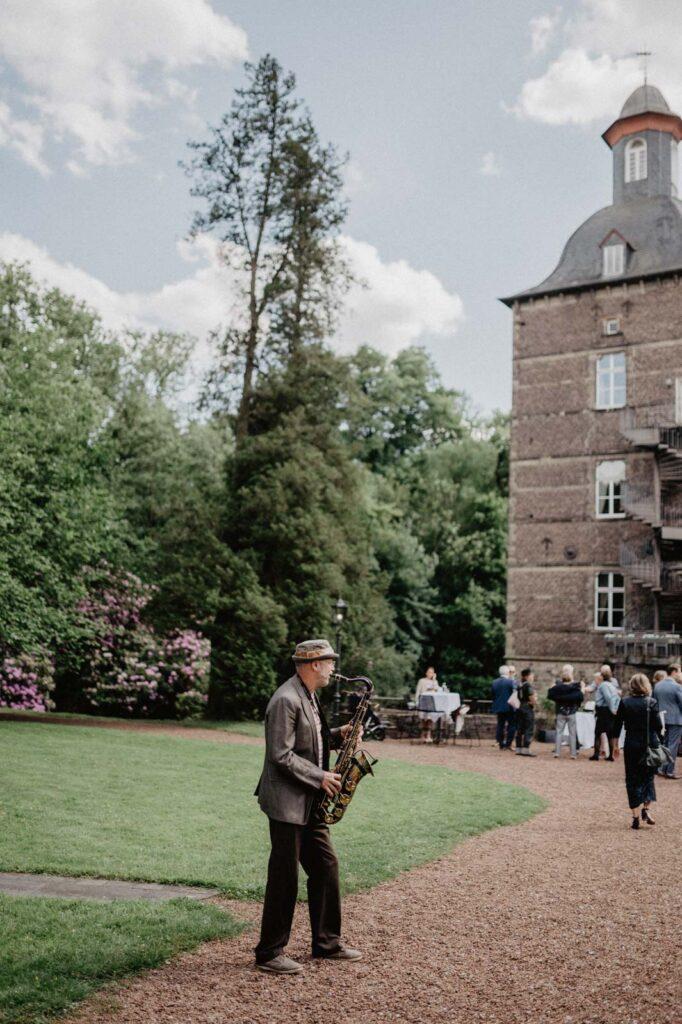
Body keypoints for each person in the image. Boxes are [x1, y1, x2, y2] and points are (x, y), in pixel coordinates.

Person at [254, 638, 362, 974]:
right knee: (284, 877)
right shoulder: (286, 699)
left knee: (325, 866)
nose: (333, 668)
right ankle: (270, 953)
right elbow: (281, 754)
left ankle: (326, 943)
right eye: (329, 661)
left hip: (308, 803)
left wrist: (338, 735)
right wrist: (320, 777)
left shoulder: (308, 696)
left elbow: (309, 739)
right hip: (288, 803)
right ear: (314, 663)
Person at [612, 673, 663, 829]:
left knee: (632, 779)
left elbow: (617, 726)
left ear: (631, 686)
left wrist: (615, 746)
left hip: (632, 744)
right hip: (649, 744)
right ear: (646, 685)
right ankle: (646, 809)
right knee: (648, 777)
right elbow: (658, 727)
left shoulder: (625, 702)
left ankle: (635, 817)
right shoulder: (652, 703)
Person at [652, 662, 682, 780]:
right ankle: (669, 771)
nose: (680, 674)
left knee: (664, 743)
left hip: (661, 718)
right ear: (674, 672)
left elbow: (654, 702)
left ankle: (661, 768)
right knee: (673, 745)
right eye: (679, 671)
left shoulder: (658, 685)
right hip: (675, 719)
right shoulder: (677, 687)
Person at [547, 665, 584, 759]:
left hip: (560, 711)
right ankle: (573, 754)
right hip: (571, 712)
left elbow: (550, 695)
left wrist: (553, 691)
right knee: (572, 733)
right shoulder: (575, 687)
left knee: (559, 732)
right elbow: (580, 697)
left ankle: (557, 752)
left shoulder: (558, 687)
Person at [589, 667, 620, 762]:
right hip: (609, 711)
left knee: (598, 733)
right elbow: (616, 698)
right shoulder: (612, 685)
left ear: (602, 676)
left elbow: (608, 698)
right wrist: (615, 708)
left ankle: (596, 754)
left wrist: (612, 709)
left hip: (603, 711)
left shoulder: (603, 685)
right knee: (609, 733)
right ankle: (610, 755)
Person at [491, 665, 517, 750]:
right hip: (509, 707)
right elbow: (515, 694)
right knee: (512, 725)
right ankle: (508, 744)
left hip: (499, 707)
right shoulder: (511, 682)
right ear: (508, 672)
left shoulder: (494, 682)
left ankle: (501, 744)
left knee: (500, 725)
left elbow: (493, 695)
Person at [514, 668, 537, 757]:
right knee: (529, 728)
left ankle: (518, 748)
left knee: (520, 729)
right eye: (532, 675)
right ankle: (526, 749)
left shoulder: (520, 685)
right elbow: (532, 699)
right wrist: (535, 701)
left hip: (520, 708)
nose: (533, 677)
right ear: (527, 676)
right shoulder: (528, 686)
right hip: (527, 709)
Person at [415, 666, 441, 743]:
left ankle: (429, 735)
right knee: (424, 719)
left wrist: (434, 680)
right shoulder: (421, 681)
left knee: (430, 718)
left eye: (432, 673)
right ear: (426, 673)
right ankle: (423, 735)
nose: (430, 674)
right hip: (423, 702)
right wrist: (417, 701)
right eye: (429, 672)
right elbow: (418, 691)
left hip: (431, 703)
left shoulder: (435, 682)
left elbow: (437, 690)